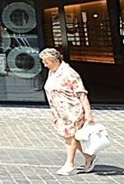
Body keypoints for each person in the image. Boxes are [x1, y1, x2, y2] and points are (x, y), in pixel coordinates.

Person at [41, 46, 97, 175]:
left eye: (46, 62)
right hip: (60, 112)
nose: (45, 65)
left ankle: (69, 164)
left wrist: (89, 114)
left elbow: (82, 94)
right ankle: (89, 156)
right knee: (73, 137)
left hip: (72, 110)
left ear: (54, 60)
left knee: (70, 136)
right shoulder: (53, 72)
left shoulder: (69, 73)